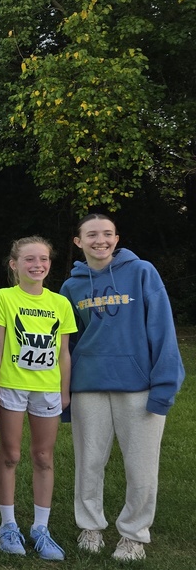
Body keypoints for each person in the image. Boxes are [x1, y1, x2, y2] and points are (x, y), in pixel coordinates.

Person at [60, 214, 185, 562]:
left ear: (116, 239)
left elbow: (162, 329)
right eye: (91, 235)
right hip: (89, 386)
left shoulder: (142, 272)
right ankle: (90, 527)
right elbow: (67, 345)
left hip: (138, 386)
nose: (100, 240)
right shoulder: (71, 287)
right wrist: (65, 394)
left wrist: (164, 385)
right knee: (88, 463)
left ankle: (133, 535)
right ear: (78, 242)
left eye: (107, 234)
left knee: (141, 467)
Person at [0, 236, 76, 560]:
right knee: (10, 454)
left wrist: (64, 390)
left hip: (47, 388)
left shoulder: (60, 303)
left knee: (43, 457)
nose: (37, 265)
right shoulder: (4, 297)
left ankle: (41, 528)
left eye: (43, 259)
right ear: (14, 264)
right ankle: (8, 525)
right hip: (11, 385)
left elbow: (63, 352)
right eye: (29, 259)